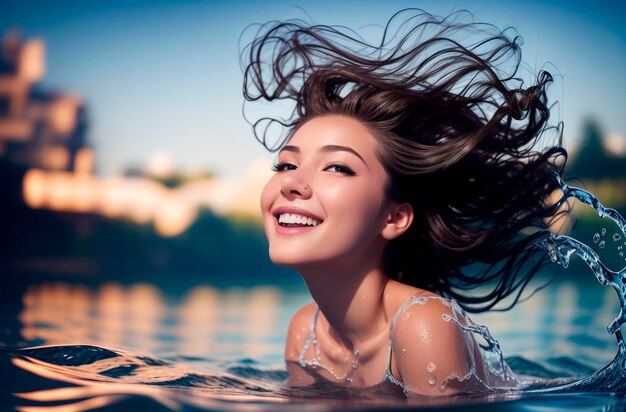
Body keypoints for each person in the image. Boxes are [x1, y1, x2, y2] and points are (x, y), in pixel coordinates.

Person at [242, 9, 566, 396]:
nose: (292, 182)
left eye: (337, 167)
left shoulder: (426, 325)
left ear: (395, 217)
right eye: (286, 163)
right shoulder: (304, 335)